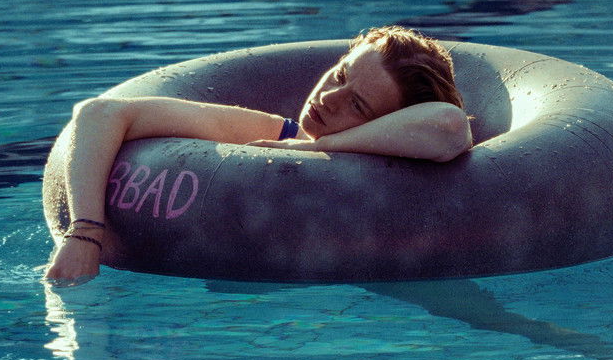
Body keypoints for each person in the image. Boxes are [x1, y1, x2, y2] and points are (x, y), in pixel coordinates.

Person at [43, 25, 473, 286]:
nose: (329, 97)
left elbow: (450, 126)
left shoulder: (401, 165)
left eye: (357, 105)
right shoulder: (269, 132)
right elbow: (100, 114)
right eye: (341, 74)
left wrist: (316, 148)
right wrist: (85, 233)